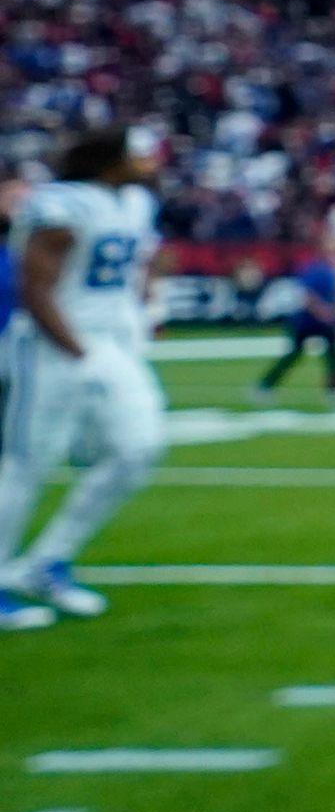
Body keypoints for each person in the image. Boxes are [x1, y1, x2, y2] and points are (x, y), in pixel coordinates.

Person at [1, 125, 170, 623]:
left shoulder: (135, 203)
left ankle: (46, 562)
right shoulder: (61, 204)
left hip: (112, 344)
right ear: (109, 159)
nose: (150, 162)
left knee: (139, 447)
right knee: (27, 463)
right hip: (54, 345)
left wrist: (140, 317)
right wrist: (79, 352)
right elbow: (37, 289)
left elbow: (141, 259)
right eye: (139, 155)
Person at [252, 244, 335, 394]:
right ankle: (265, 385)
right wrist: (323, 311)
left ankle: (334, 389)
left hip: (322, 321)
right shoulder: (315, 270)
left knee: (332, 356)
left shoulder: (330, 271)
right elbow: (306, 295)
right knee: (298, 354)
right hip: (307, 321)